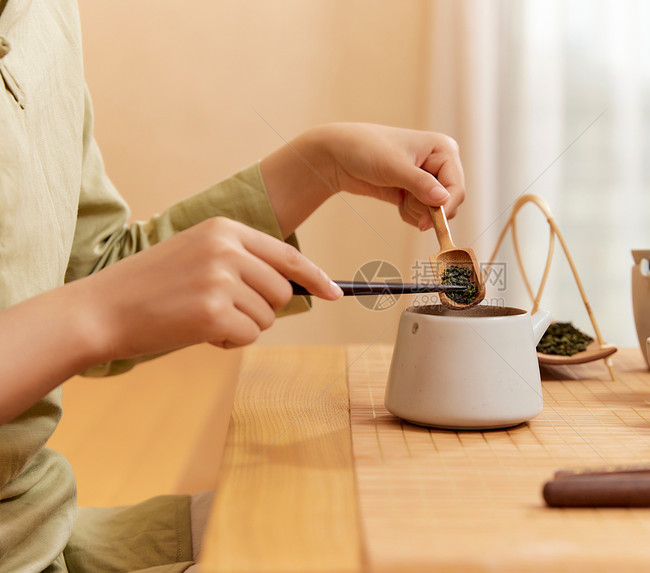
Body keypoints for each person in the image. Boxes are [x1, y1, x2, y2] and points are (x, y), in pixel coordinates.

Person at [0, 1, 466, 571]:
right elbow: (87, 306)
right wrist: (99, 313)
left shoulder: (44, 13)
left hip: (44, 533)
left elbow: (80, 276)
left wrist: (320, 165)